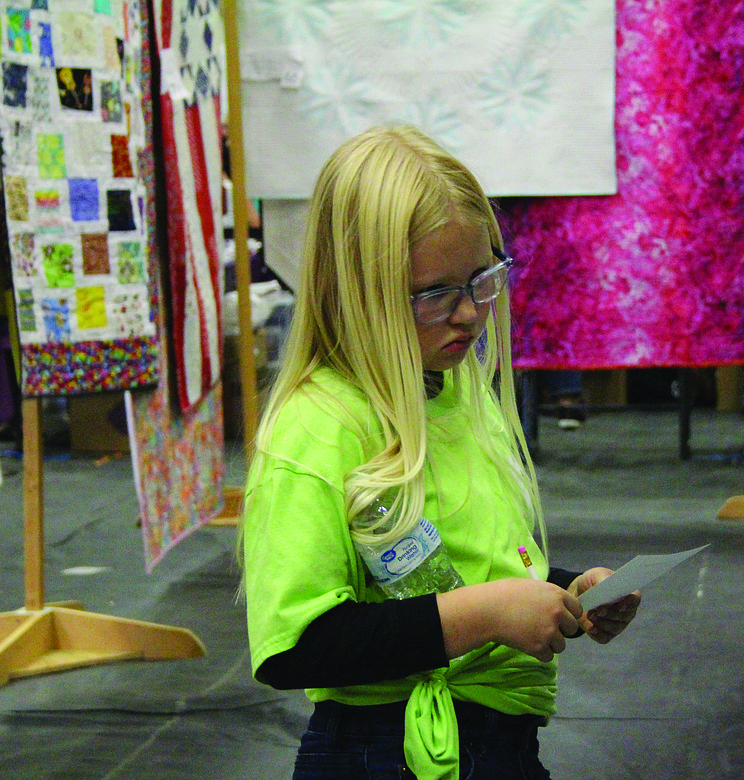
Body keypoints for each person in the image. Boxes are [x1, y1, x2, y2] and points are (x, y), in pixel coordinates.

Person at [240, 125, 641, 780]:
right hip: (383, 753)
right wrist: (487, 614)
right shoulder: (318, 427)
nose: (469, 313)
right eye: (435, 294)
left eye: (482, 278)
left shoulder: (455, 387)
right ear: (355, 289)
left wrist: (565, 590)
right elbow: (297, 646)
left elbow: (455, 569)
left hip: (495, 743)